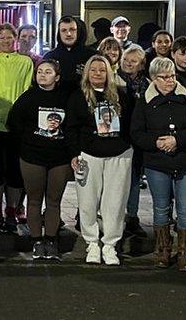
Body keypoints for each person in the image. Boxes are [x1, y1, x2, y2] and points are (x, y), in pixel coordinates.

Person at [131, 57, 186, 272]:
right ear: (153, 79)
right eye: (164, 77)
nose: (170, 81)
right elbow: (136, 133)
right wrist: (156, 142)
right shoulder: (144, 102)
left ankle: (184, 254)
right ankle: (162, 251)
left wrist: (177, 140)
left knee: (185, 210)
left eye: (172, 76)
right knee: (161, 208)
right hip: (157, 163)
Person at [65, 55, 133, 266]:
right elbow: (71, 128)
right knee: (87, 202)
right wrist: (74, 154)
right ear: (87, 73)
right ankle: (92, 243)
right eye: (93, 70)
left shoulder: (121, 96)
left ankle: (110, 245)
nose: (97, 74)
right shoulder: (78, 97)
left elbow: (131, 123)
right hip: (89, 155)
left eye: (101, 70)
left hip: (118, 155)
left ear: (108, 73)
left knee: (115, 203)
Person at [7, 59, 72, 260]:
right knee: (34, 201)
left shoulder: (66, 98)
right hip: (32, 157)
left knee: (54, 201)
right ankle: (36, 240)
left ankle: (51, 241)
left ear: (57, 77)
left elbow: (73, 125)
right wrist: (29, 141)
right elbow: (13, 124)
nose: (43, 75)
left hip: (59, 158)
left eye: (48, 72)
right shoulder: (27, 98)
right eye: (40, 72)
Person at [0, 23, 34, 233]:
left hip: (17, 127)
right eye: (2, 38)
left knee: (15, 173)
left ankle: (12, 210)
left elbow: (27, 90)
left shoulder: (26, 62)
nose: (6, 42)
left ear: (16, 40)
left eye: (10, 38)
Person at [116, 44, 150, 237]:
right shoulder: (113, 80)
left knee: (134, 178)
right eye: (126, 60)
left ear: (141, 64)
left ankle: (133, 216)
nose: (129, 64)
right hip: (118, 136)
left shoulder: (147, 84)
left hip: (137, 138)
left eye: (133, 61)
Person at [44, 16, 96, 92]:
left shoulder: (93, 56)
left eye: (72, 30)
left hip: (85, 100)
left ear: (78, 31)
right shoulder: (49, 57)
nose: (68, 34)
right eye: (64, 30)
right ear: (59, 33)